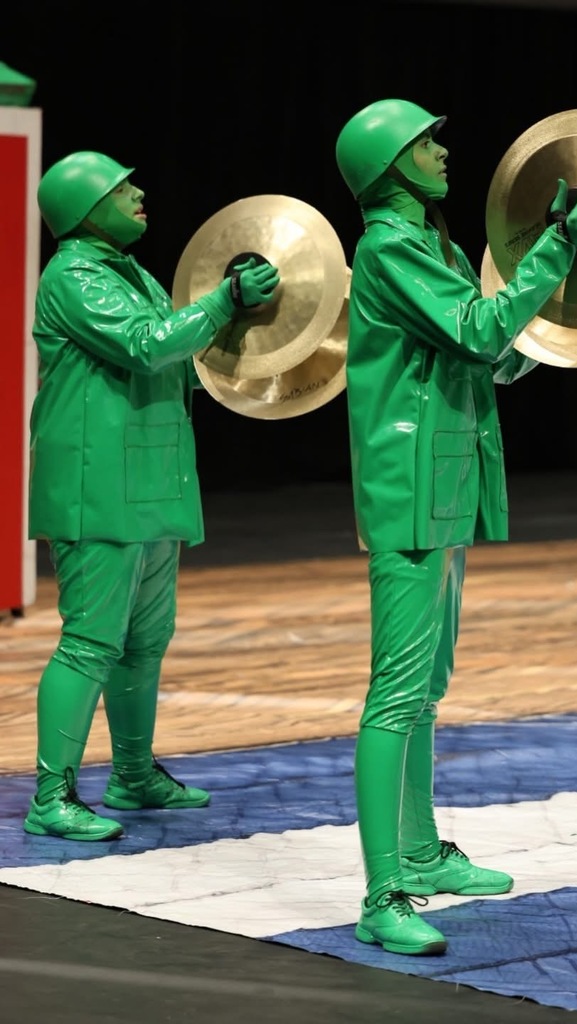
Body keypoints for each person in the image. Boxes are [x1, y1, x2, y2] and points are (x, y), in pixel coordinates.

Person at [335, 99, 577, 955]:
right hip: (409, 487)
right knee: (396, 692)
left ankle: (418, 851)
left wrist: (540, 316)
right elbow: (475, 325)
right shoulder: (389, 246)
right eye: (425, 142)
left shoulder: (433, 244)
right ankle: (382, 893)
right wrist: (553, 252)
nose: (442, 150)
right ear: (387, 165)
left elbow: (492, 348)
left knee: (425, 689)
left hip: (442, 484)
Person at [24, 151, 280, 842]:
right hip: (96, 484)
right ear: (82, 208)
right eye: (121, 187)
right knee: (90, 642)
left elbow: (175, 356)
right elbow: (146, 344)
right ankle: (52, 795)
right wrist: (223, 301)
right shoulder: (74, 276)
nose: (139, 193)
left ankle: (133, 772)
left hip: (149, 479)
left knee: (145, 641)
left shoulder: (126, 271)